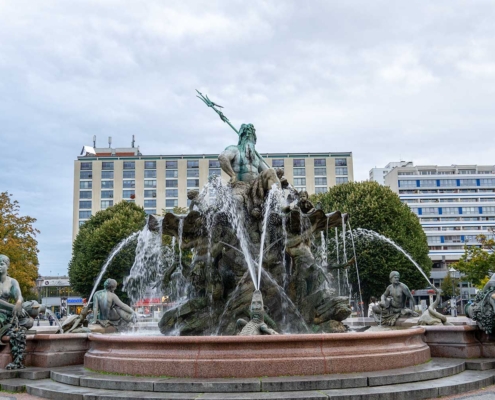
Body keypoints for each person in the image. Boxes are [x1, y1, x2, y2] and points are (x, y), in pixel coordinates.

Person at [0, 254, 39, 332]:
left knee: (29, 321)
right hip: (5, 311)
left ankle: (11, 325)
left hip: (7, 313)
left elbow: (19, 295)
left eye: (1, 264)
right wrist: (14, 307)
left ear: (7, 266)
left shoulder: (12, 282)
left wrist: (18, 303)